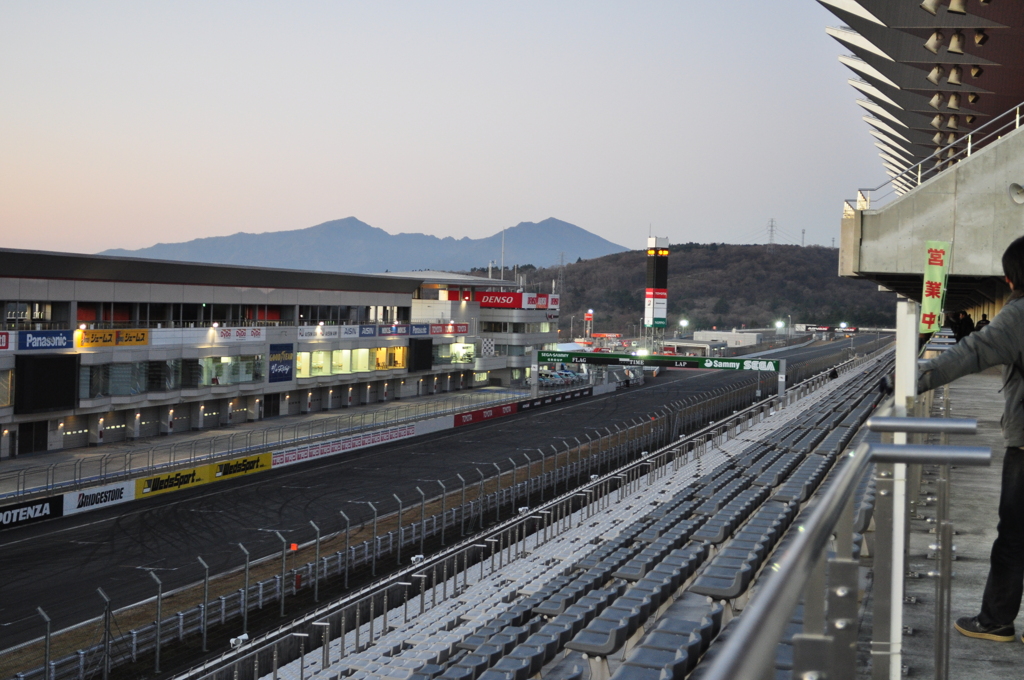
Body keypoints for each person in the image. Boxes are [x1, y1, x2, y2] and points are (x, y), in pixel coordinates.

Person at [918, 234, 1024, 642]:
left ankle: (996, 620)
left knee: (1015, 535)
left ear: (1009, 280)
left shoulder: (1019, 316)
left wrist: (913, 379)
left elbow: (970, 353)